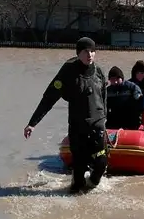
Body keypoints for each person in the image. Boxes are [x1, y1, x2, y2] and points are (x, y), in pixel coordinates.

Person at [23, 37, 108, 194]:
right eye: (85, 51)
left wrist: (105, 120)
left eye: (92, 51)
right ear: (78, 53)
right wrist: (32, 123)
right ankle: (77, 194)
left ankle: (91, 186)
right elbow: (49, 98)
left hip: (97, 125)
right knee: (79, 174)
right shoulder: (68, 73)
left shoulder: (99, 72)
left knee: (101, 163)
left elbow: (104, 97)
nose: (90, 54)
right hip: (78, 127)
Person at [105, 66, 143, 130]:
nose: (115, 81)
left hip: (130, 120)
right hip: (114, 121)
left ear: (122, 78)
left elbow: (140, 101)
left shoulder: (131, 87)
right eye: (112, 79)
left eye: (117, 79)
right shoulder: (108, 91)